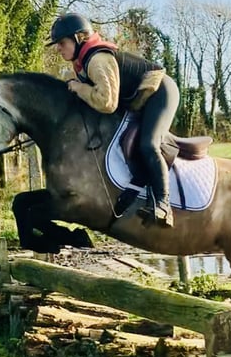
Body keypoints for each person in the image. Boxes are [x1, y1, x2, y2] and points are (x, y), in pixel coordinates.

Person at [47, 12, 178, 228]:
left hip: (160, 91)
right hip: (138, 99)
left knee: (148, 144)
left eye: (62, 43)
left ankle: (164, 206)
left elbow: (107, 103)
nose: (58, 48)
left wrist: (80, 88)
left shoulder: (97, 59)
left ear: (79, 38)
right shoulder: (82, 62)